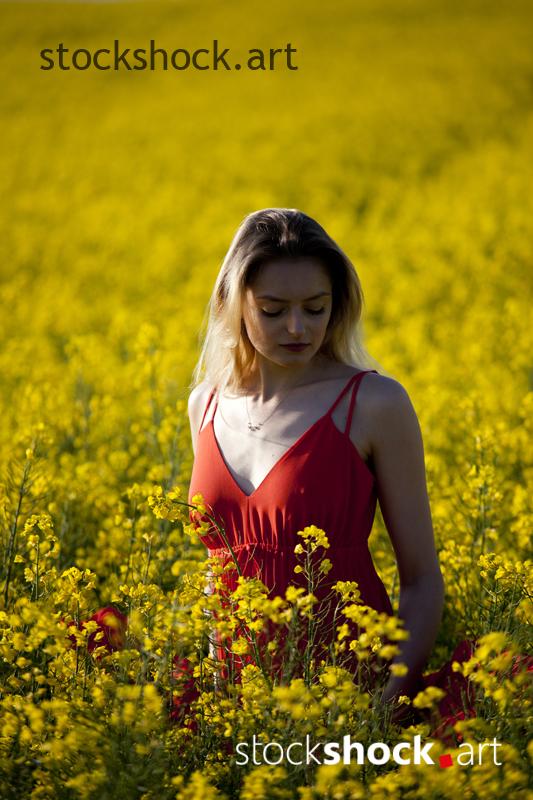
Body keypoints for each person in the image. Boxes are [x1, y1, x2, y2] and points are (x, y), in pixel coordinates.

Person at [185, 208, 474, 737]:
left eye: (315, 308)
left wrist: (382, 709)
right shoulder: (203, 404)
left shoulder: (373, 403)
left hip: (350, 693)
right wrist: (216, 696)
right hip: (236, 707)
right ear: (234, 304)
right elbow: (216, 571)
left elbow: (421, 581)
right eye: (273, 311)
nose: (298, 328)